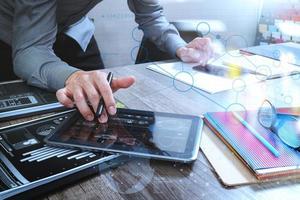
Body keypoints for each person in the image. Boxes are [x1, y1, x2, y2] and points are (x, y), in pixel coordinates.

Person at [0, 0, 213, 123]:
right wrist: (72, 77)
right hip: (15, 34)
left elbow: (151, 16)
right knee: (25, 120)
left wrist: (179, 47)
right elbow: (30, 50)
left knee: (101, 101)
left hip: (72, 28)